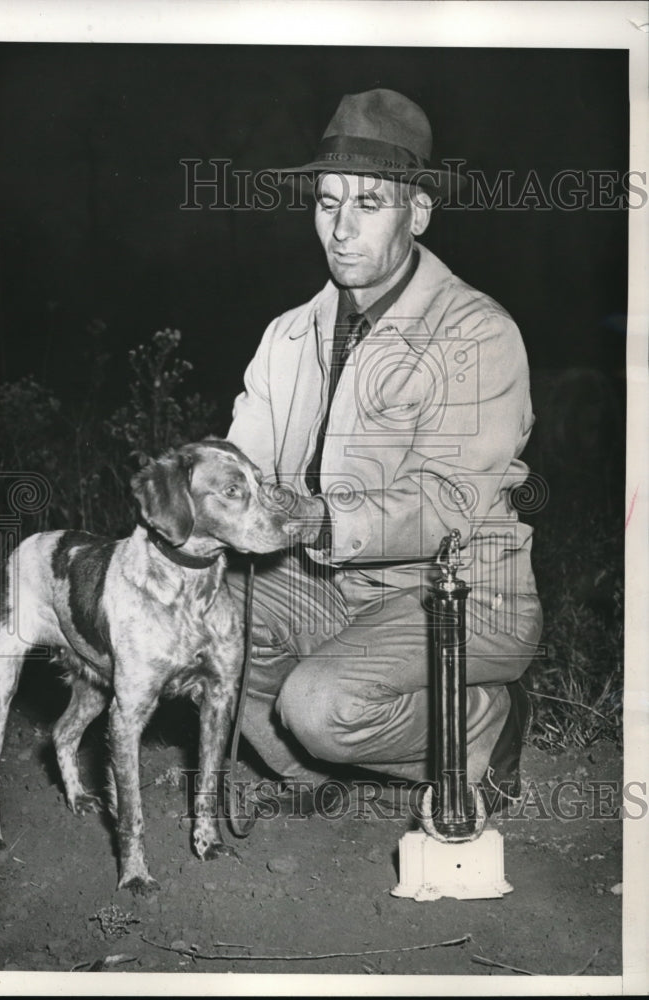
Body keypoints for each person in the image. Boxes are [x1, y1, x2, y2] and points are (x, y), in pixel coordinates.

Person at [226, 89, 542, 816]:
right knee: (192, 622)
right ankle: (310, 782)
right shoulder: (287, 335)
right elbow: (238, 466)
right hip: (332, 589)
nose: (339, 228)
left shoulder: (476, 333)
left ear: (418, 212)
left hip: (459, 595)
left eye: (368, 203)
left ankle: (484, 726)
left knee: (319, 705)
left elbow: (450, 501)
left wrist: (315, 519)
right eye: (326, 201)